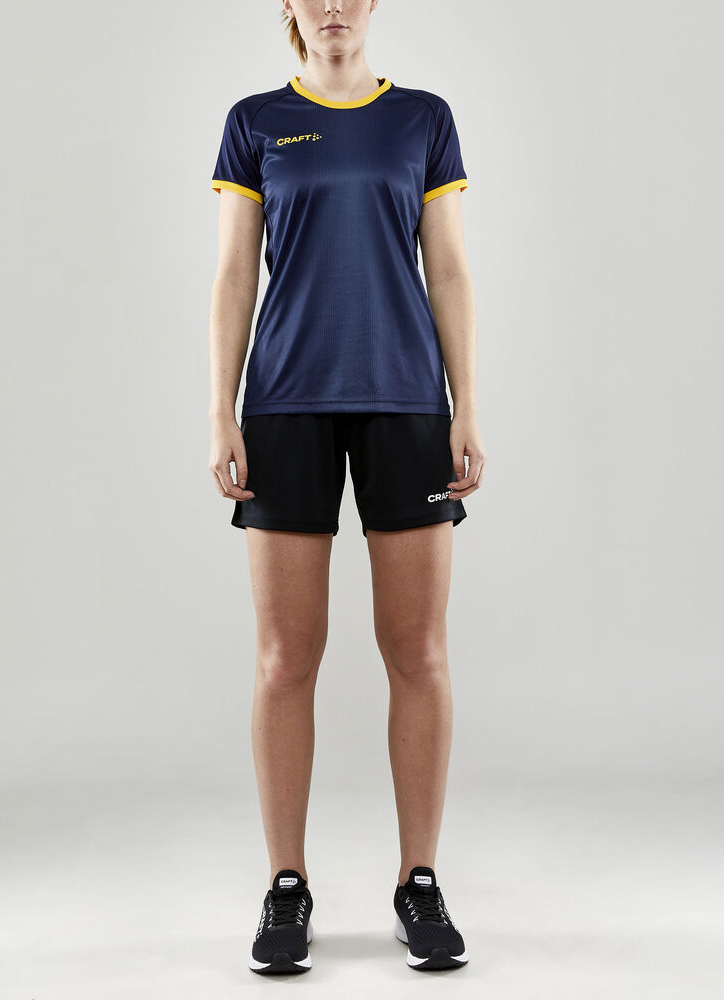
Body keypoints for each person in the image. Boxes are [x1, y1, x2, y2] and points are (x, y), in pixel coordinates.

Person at [207, 0, 486, 976]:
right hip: (285, 405)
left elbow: (447, 270)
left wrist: (466, 405)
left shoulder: (423, 119)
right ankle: (287, 884)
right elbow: (234, 275)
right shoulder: (255, 122)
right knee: (286, 658)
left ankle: (419, 880)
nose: (332, 4)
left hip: (407, 401)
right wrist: (220, 409)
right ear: (288, 5)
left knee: (419, 653)